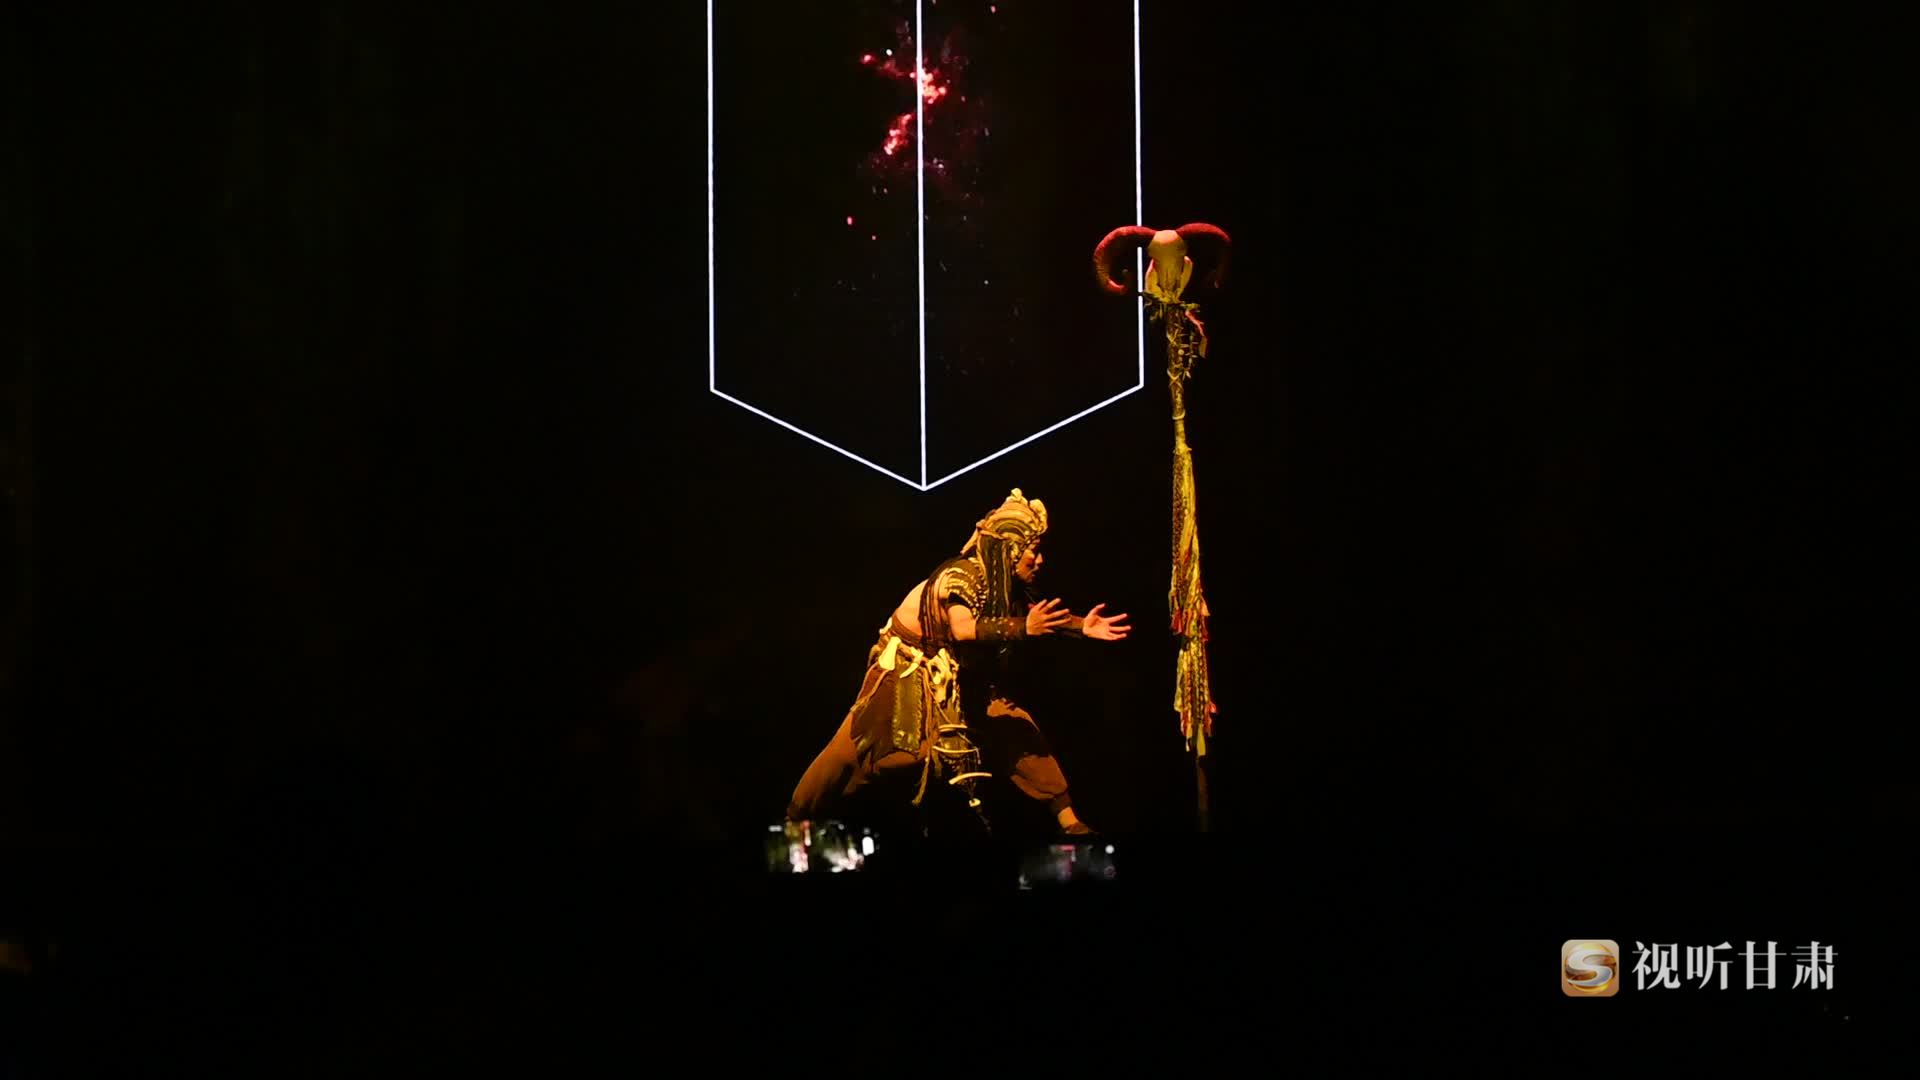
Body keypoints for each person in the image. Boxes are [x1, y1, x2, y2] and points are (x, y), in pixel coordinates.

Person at [785, 489, 1129, 837]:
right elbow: (963, 629)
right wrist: (1023, 628)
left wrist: (1080, 626)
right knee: (862, 750)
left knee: (1014, 725)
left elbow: (1029, 618)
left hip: (955, 669)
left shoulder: (1001, 584)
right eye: (1033, 551)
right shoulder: (961, 576)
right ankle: (797, 817)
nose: (1039, 560)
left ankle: (1069, 821)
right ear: (1009, 551)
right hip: (907, 664)